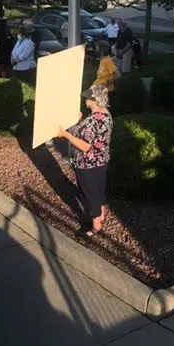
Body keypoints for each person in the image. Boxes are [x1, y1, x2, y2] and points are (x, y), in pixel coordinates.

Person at [55, 89, 114, 238]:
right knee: (99, 188)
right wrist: (81, 122)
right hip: (101, 160)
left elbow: (85, 146)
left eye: (87, 98)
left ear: (93, 101)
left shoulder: (92, 121)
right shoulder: (106, 115)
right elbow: (94, 137)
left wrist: (65, 134)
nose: (85, 101)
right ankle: (101, 214)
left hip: (86, 164)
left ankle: (95, 226)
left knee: (89, 193)